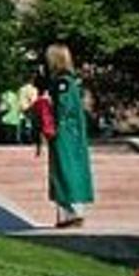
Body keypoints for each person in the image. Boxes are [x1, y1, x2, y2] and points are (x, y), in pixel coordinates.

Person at [40, 44, 96, 227]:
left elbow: (62, 108)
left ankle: (70, 214)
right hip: (72, 133)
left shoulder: (62, 83)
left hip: (64, 133)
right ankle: (71, 212)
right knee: (72, 168)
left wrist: (47, 109)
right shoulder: (71, 81)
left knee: (65, 169)